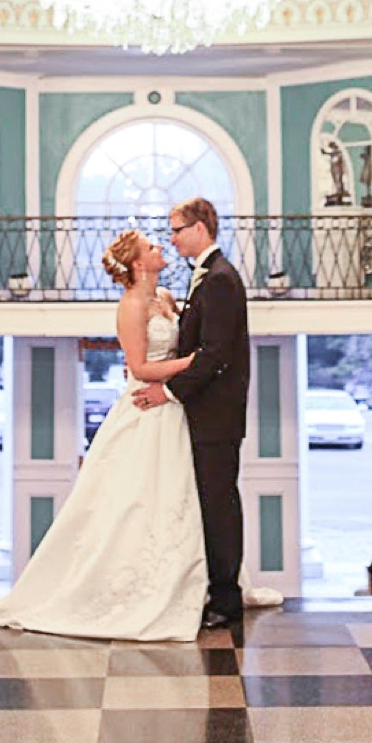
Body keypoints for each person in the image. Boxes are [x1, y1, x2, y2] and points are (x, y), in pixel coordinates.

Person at [0, 230, 209, 639]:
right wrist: (194, 363)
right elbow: (140, 368)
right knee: (133, 498)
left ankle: (179, 581)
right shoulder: (130, 305)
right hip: (145, 404)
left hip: (170, 409)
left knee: (170, 495)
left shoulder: (164, 298)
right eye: (152, 247)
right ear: (138, 263)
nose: (161, 248)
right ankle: (122, 589)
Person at [132, 196, 250, 629]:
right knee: (209, 502)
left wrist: (170, 391)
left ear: (199, 229)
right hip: (206, 413)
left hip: (215, 415)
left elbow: (216, 353)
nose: (172, 239)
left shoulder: (220, 278)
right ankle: (213, 590)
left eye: (176, 230)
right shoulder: (209, 278)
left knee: (219, 504)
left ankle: (226, 599)